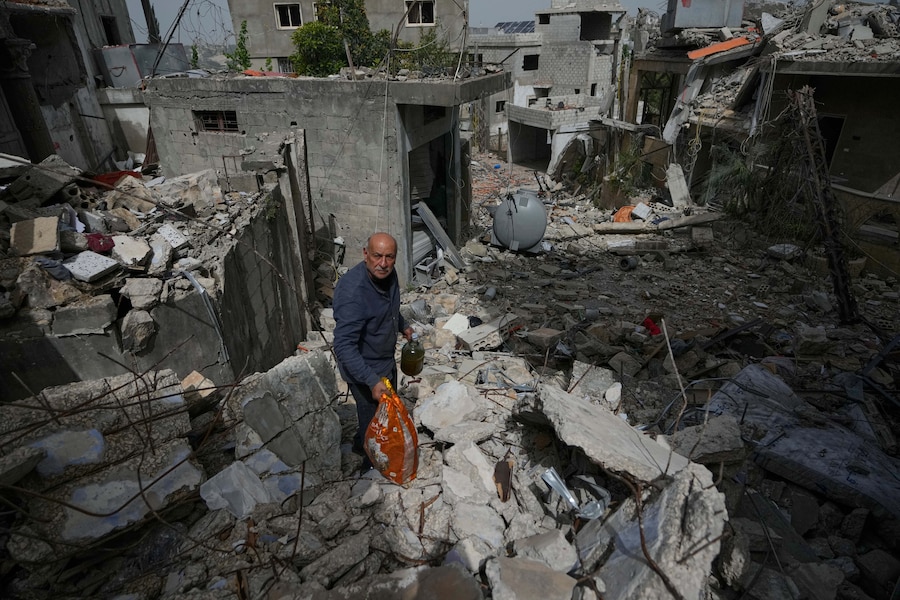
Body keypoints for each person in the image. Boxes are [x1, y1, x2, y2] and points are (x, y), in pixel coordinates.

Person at [332, 232, 413, 473]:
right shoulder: (353, 293)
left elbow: (389, 308)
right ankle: (373, 471)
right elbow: (344, 346)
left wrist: (403, 325)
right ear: (365, 254)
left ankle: (360, 444)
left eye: (389, 257)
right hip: (364, 370)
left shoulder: (387, 274)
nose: (384, 263)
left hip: (385, 361)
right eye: (377, 256)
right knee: (374, 420)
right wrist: (371, 381)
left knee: (384, 416)